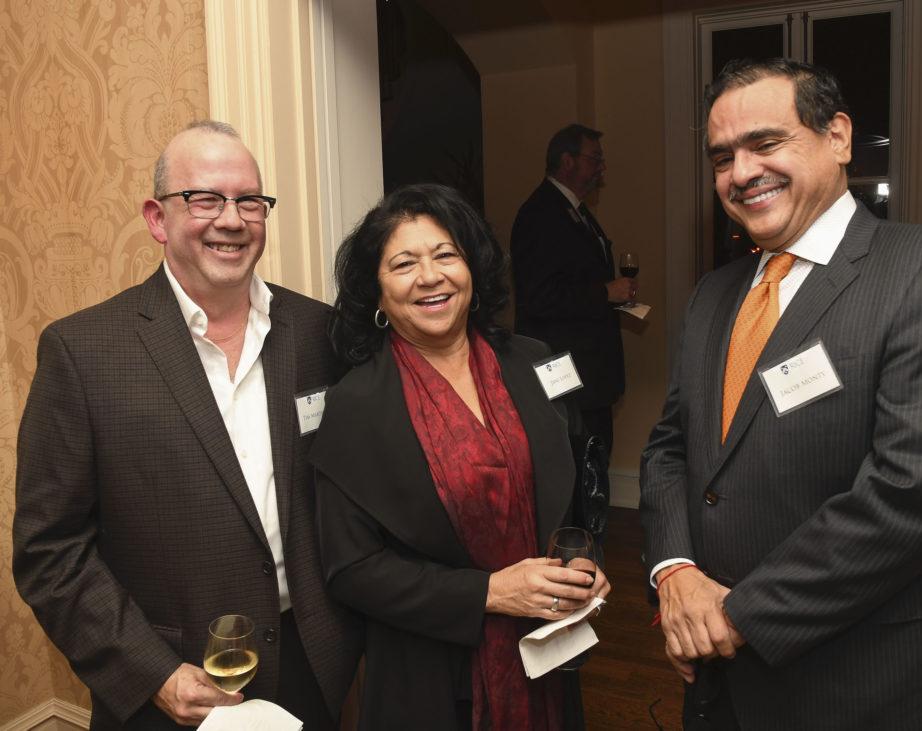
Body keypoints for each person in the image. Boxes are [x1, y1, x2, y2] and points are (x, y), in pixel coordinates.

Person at [639, 58, 922, 730]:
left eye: (766, 143)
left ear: (838, 137)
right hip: (719, 687)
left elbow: (913, 495)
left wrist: (735, 613)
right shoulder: (712, 294)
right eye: (722, 156)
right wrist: (675, 573)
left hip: (863, 685)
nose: (741, 172)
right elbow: (671, 446)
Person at [13, 120, 363, 729]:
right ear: (157, 218)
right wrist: (153, 674)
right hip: (173, 685)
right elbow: (50, 552)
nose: (231, 219)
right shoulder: (84, 351)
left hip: (313, 666)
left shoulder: (319, 333)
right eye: (204, 199)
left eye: (249, 200)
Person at [310, 183, 611, 730]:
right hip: (430, 680)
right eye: (404, 263)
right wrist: (491, 593)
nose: (430, 276)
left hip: (547, 656)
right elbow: (351, 571)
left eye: (446, 255)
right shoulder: (355, 406)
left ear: (473, 270)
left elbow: (572, 499)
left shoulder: (533, 362)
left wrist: (587, 568)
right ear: (376, 294)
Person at [510, 124, 636, 454]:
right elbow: (538, 298)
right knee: (575, 467)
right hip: (565, 377)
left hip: (589, 376)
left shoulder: (576, 211)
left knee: (593, 464)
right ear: (567, 161)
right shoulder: (540, 214)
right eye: (595, 158)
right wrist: (606, 293)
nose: (602, 167)